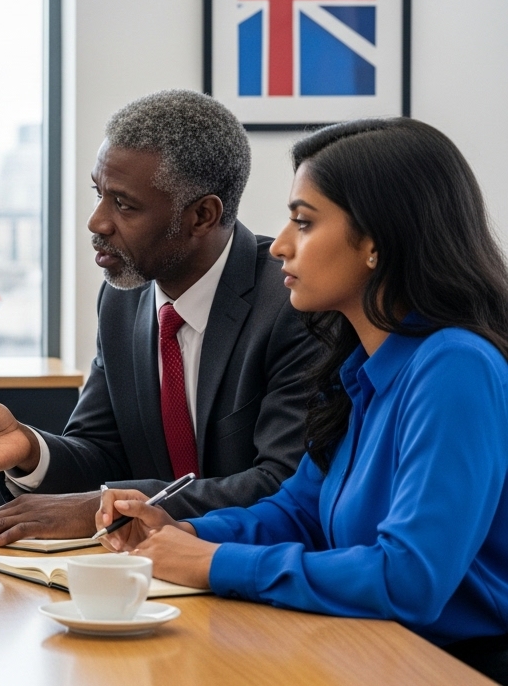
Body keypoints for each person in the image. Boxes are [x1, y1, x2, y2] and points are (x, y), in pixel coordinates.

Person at [97, 118, 508, 683]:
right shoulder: (359, 365)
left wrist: (216, 565)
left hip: (449, 666)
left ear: (375, 245)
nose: (281, 245)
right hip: (364, 649)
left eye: (304, 222)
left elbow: (408, 580)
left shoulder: (454, 367)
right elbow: (300, 511)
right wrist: (187, 533)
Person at [0, 89, 319, 544]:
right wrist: (28, 448)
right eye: (98, 194)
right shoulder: (123, 301)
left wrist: (110, 508)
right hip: (149, 576)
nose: (97, 222)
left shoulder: (292, 303)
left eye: (123, 205)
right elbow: (101, 452)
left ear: (202, 216)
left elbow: (282, 483)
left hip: (250, 571)